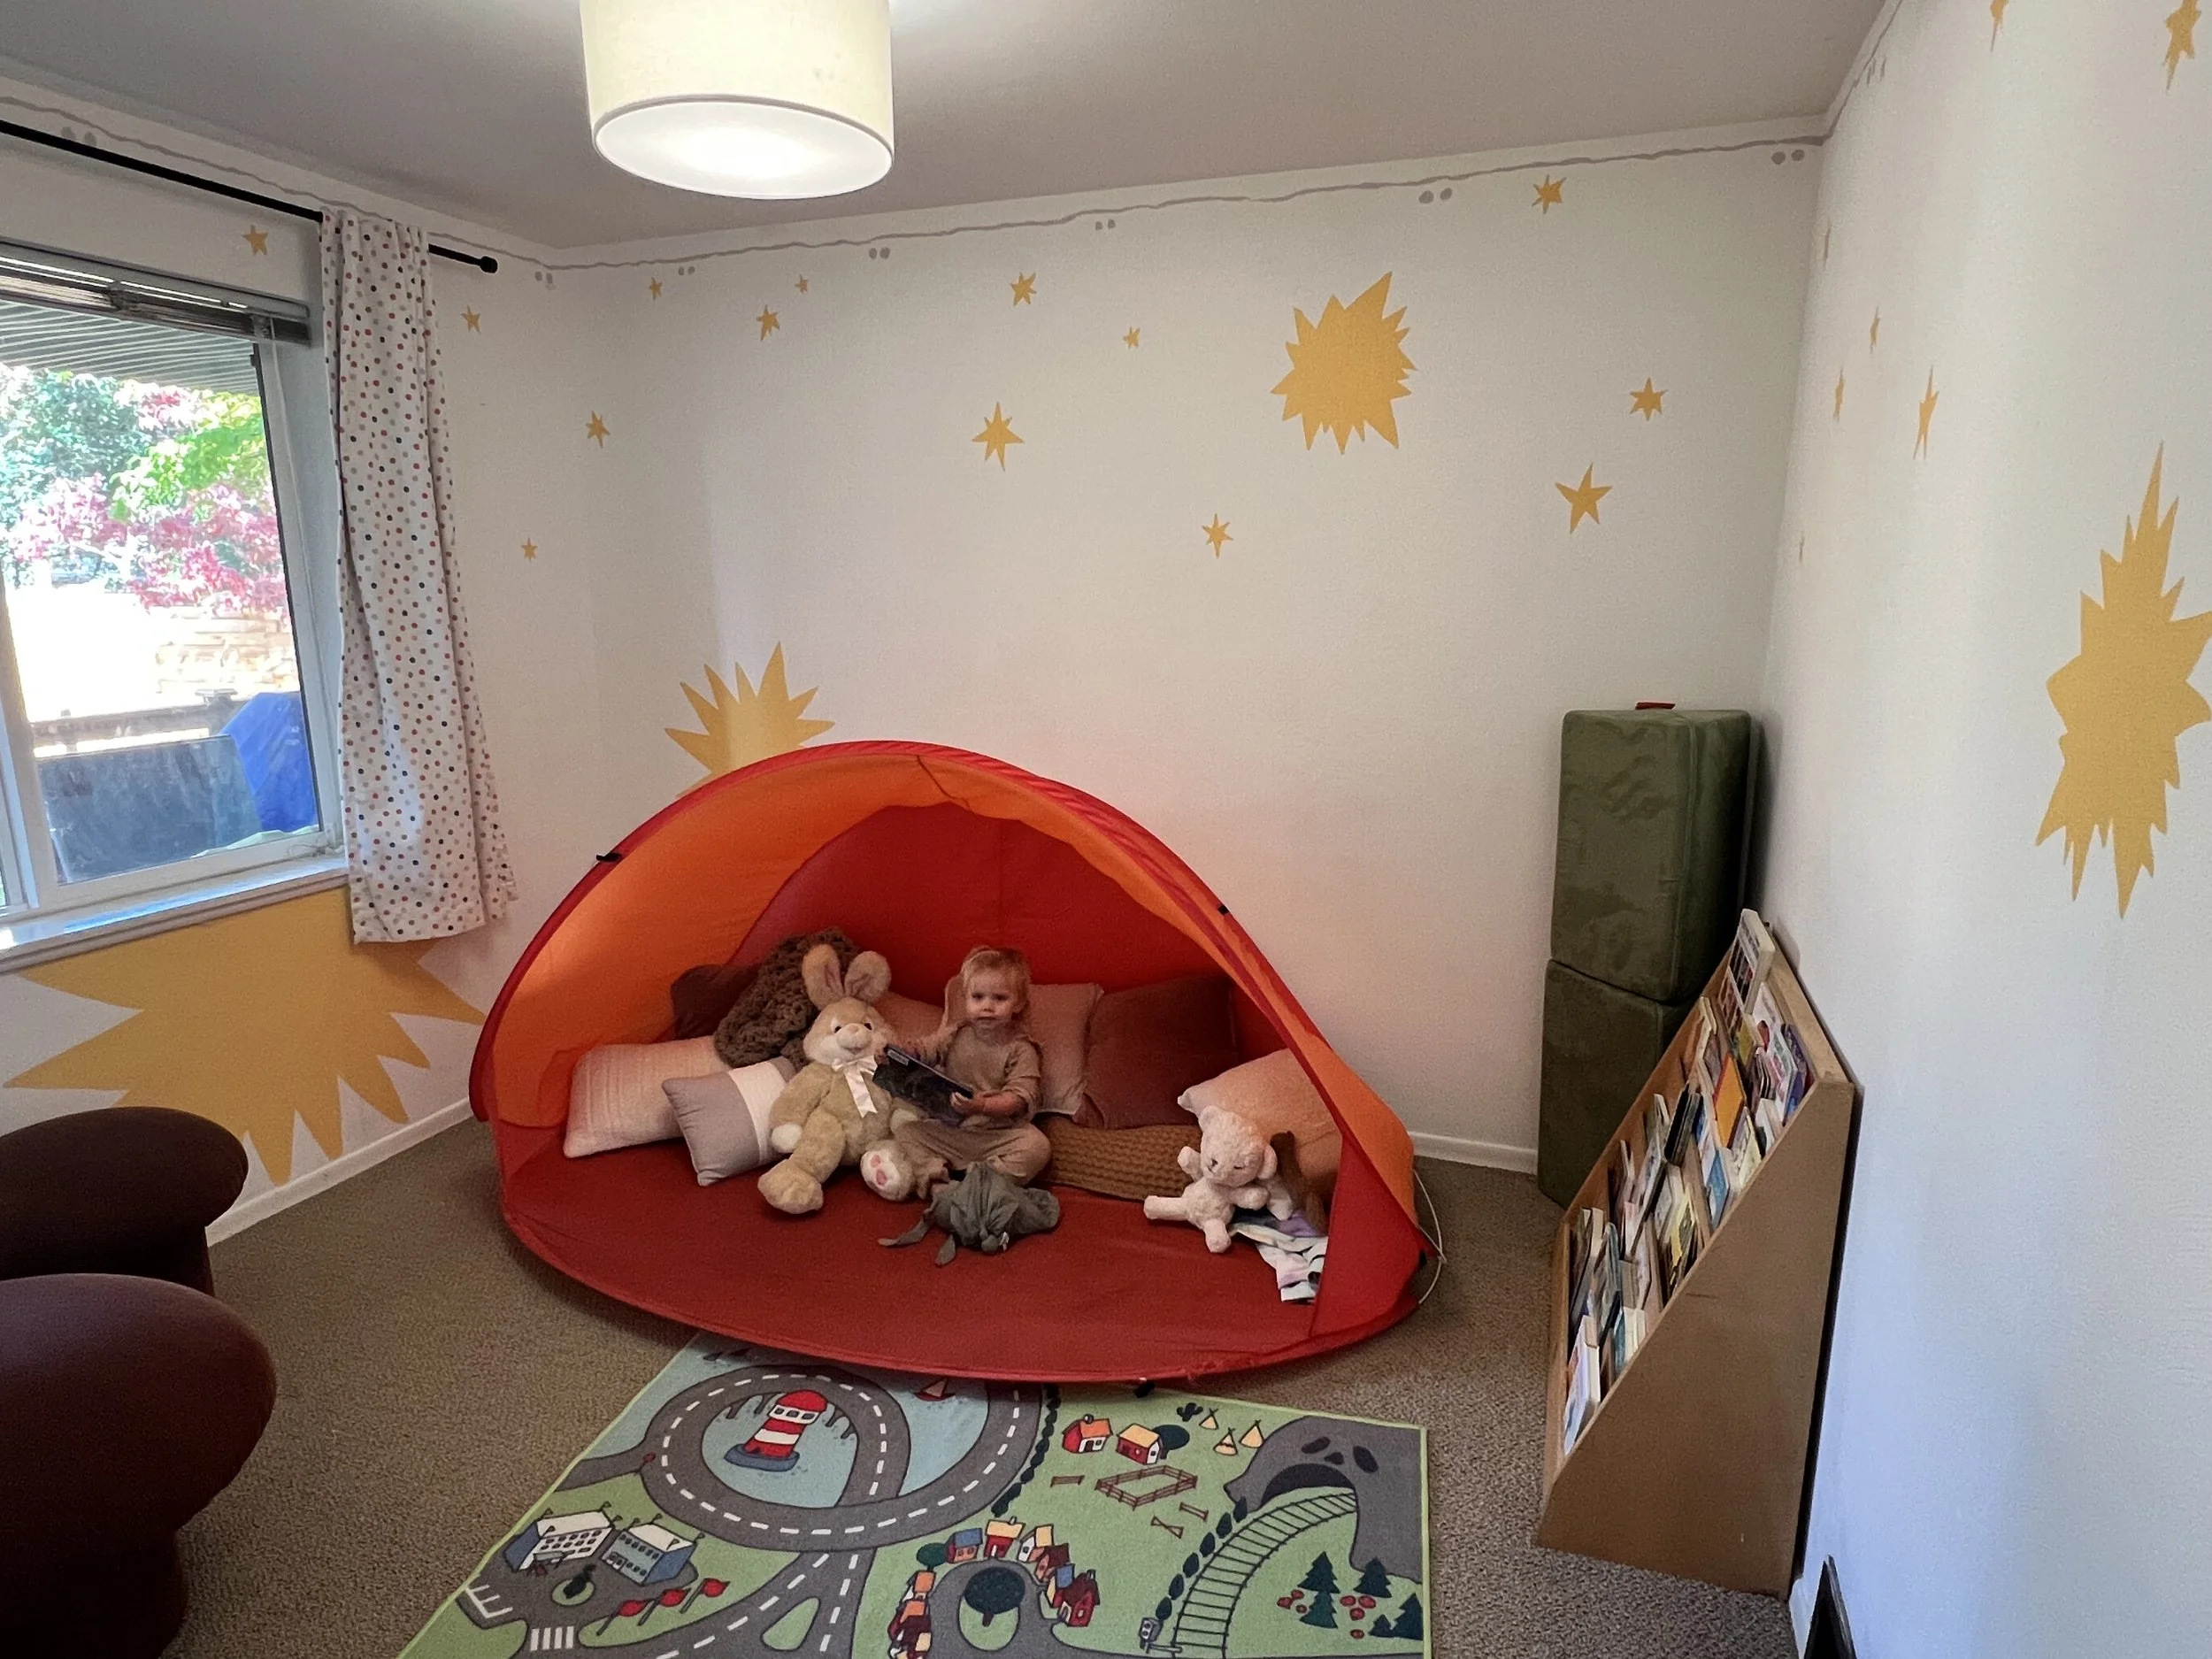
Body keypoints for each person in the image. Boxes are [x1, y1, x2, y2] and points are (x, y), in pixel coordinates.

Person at [891, 945, 1049, 1194]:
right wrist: (899, 1052)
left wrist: (982, 1105)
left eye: (999, 998)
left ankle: (981, 1185)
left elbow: (1018, 1098)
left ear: (1017, 1004)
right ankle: (936, 1181)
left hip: (999, 1135)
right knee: (906, 1132)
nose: (987, 1006)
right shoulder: (955, 1034)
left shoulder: (1021, 1049)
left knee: (1037, 1147)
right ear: (965, 999)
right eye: (978, 997)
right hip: (954, 1131)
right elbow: (924, 1049)